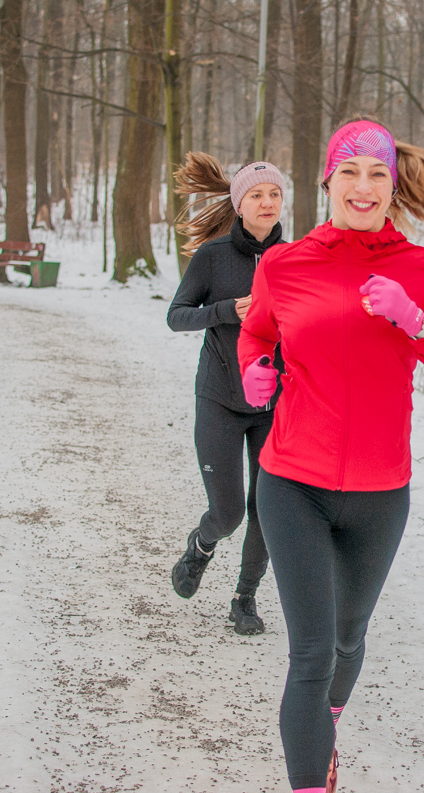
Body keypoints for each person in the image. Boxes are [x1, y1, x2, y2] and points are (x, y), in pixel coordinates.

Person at [238, 119, 424, 793]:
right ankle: (311, 775)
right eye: (349, 172)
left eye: (376, 172)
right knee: (312, 653)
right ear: (328, 182)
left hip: (381, 494)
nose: (363, 185)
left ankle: (326, 731)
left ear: (394, 183)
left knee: (348, 642)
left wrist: (418, 322)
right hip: (292, 482)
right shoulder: (284, 265)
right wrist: (256, 367)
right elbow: (257, 332)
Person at [167, 153, 288, 635]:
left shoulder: (294, 259)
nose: (266, 202)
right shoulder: (212, 257)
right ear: (239, 204)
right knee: (229, 511)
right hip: (219, 396)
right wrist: (222, 311)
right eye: (256, 194)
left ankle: (246, 598)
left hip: (273, 404)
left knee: (266, 508)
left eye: (274, 194)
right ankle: (201, 545)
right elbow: (177, 315)